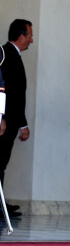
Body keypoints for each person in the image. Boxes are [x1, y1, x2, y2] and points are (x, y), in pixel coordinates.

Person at [0, 19, 33, 216]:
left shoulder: (12, 54)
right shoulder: (5, 55)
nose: (32, 40)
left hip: (10, 121)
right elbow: (3, 90)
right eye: (30, 35)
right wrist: (1, 117)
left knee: (1, 163)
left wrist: (23, 124)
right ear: (21, 37)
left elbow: (17, 95)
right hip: (4, 122)